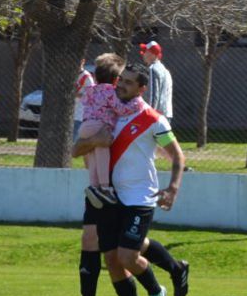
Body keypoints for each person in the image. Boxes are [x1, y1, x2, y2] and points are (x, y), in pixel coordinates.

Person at [72, 63, 185, 296]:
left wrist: (172, 188)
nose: (121, 85)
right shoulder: (106, 112)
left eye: (129, 82)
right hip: (110, 197)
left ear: (142, 89)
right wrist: (95, 141)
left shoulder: (152, 119)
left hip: (139, 198)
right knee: (111, 260)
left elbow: (177, 156)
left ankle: (157, 292)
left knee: (127, 257)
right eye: (120, 80)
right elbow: (76, 150)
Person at [78, 53, 142, 207]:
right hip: (99, 126)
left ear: (95, 76)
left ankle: (94, 187)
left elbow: (84, 100)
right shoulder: (110, 91)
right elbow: (120, 109)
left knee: (93, 157)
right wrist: (136, 104)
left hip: (85, 126)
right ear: (115, 80)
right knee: (102, 154)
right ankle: (105, 187)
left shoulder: (91, 89)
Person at [140, 41, 173, 123]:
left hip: (156, 115)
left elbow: (153, 94)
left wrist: (149, 115)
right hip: (166, 113)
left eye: (145, 52)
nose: (143, 54)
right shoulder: (165, 70)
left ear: (152, 54)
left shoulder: (153, 69)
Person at [73, 58, 96, 141]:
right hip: (71, 111)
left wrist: (78, 94)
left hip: (80, 112)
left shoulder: (86, 76)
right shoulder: (71, 75)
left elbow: (92, 94)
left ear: (83, 61)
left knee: (74, 138)